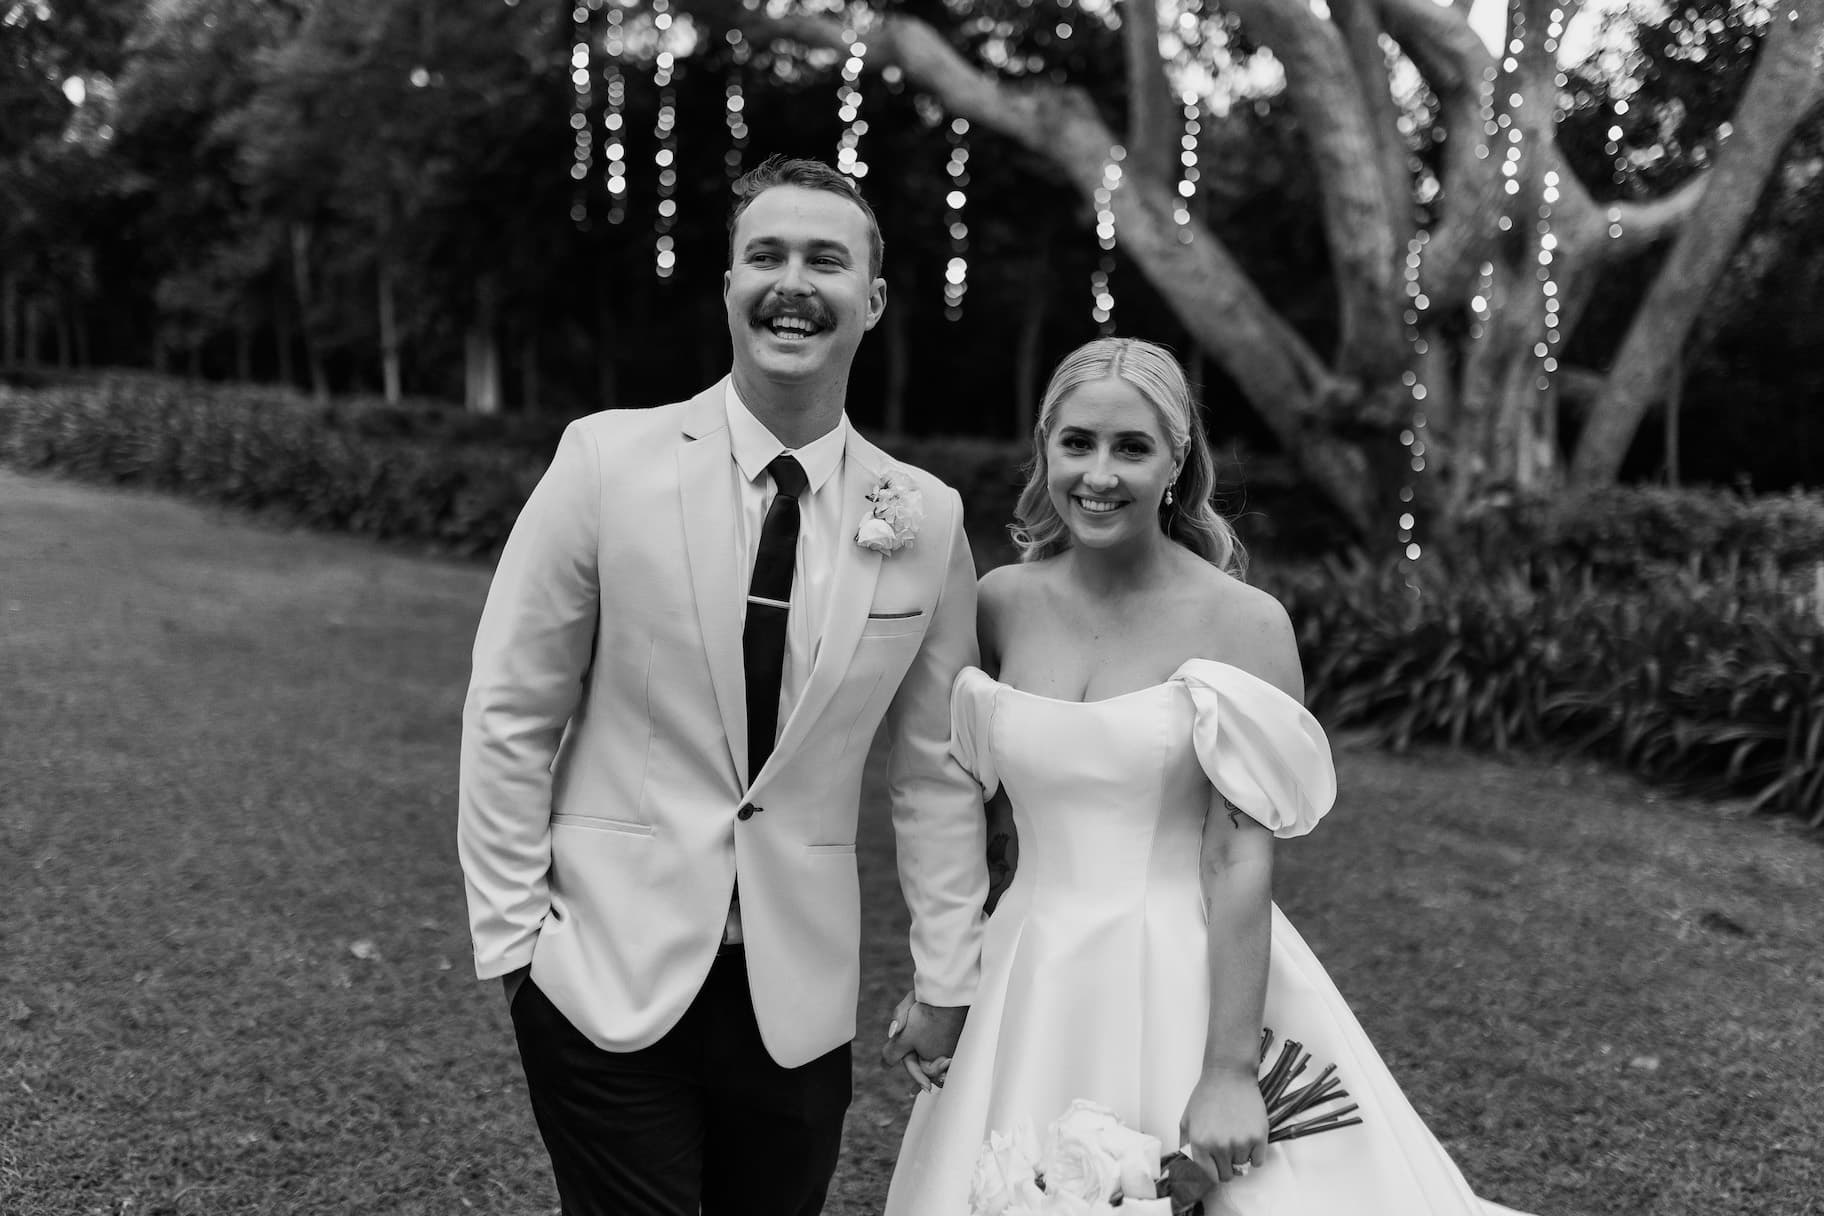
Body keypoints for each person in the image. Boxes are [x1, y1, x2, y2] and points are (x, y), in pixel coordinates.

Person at [880, 338, 1535, 1216]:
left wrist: (1229, 1071)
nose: (1099, 475)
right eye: (1077, 444)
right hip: (1024, 971)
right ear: (1044, 449)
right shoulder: (999, 602)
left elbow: (1237, 857)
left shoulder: (1244, 624)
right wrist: (945, 979)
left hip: (1183, 967)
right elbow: (978, 821)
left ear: (1178, 460)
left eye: (1131, 448)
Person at [457, 155, 987, 1216]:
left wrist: (947, 974)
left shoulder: (924, 517)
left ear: (872, 300)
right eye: (767, 256)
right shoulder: (606, 461)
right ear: (730, 285)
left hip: (797, 998)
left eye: (826, 260)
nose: (794, 282)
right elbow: (513, 707)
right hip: (600, 974)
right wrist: (515, 943)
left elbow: (935, 772)